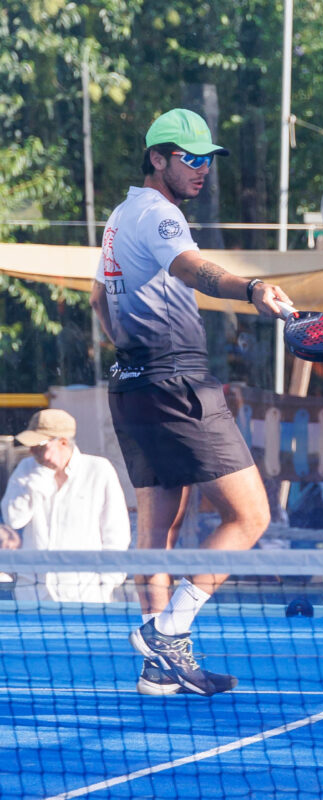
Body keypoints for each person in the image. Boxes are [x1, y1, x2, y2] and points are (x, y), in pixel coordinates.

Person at [89, 108, 291, 697]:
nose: (203, 169)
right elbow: (192, 269)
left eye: (208, 159)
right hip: (176, 384)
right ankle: (168, 629)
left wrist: (131, 348)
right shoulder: (160, 213)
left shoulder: (120, 215)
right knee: (251, 516)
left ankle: (159, 667)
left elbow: (99, 297)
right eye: (192, 158)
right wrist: (251, 288)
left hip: (131, 385)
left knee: (159, 528)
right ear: (158, 159)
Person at [0, 409, 131, 602]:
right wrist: (40, 477)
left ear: (63, 442)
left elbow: (116, 533)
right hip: (32, 594)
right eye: (31, 445)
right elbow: (14, 519)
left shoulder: (99, 470)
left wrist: (108, 581)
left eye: (39, 445)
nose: (32, 451)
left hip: (86, 594)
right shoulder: (26, 468)